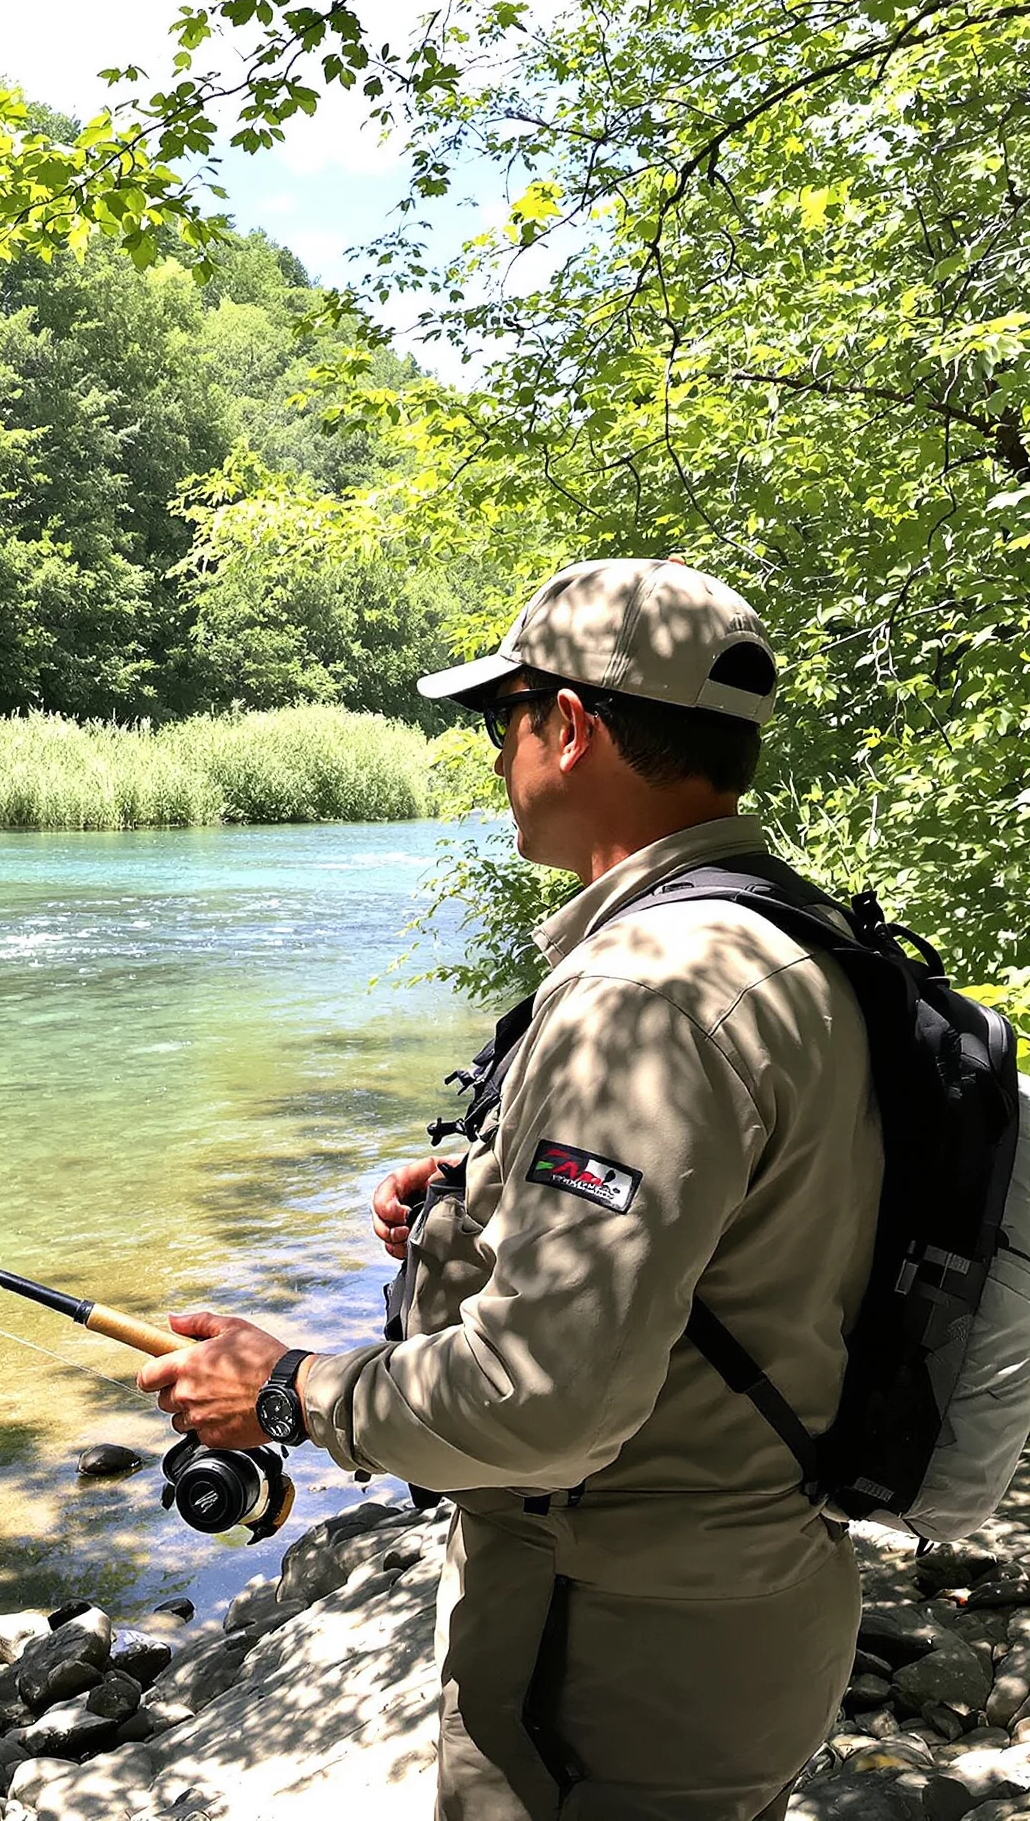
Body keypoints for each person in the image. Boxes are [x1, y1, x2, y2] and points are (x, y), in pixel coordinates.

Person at [138, 557, 880, 1821]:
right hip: (743, 1603)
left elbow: (540, 1402)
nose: (492, 760)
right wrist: (480, 1200)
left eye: (502, 719)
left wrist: (287, 1386)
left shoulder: (642, 993)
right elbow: (760, 1227)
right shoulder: (790, 931)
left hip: (609, 1660)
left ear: (570, 725)